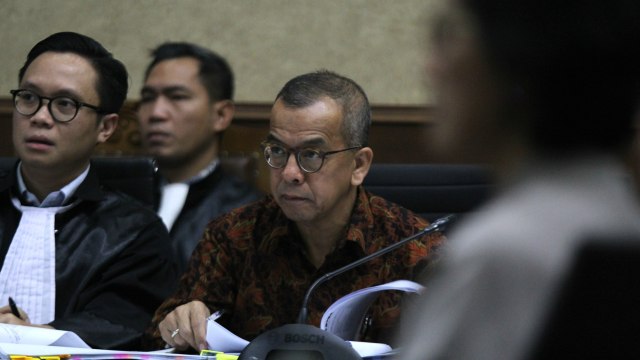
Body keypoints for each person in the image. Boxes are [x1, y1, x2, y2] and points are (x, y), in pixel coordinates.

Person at [396, 0, 640, 359]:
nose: (431, 67)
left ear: (519, 64)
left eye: (448, 37)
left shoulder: (500, 253)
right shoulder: (619, 212)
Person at [141, 70, 445, 351]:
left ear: (358, 165)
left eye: (311, 155)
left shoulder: (414, 247)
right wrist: (177, 326)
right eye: (277, 151)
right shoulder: (234, 236)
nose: (289, 173)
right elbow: (157, 337)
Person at [0, 32, 178, 350]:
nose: (40, 117)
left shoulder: (136, 232)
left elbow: (124, 325)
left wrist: (30, 335)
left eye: (64, 104)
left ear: (105, 127)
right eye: (28, 97)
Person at [137, 42, 263, 272]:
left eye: (177, 97)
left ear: (221, 115)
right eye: (148, 97)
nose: (156, 113)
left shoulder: (249, 214)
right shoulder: (116, 199)